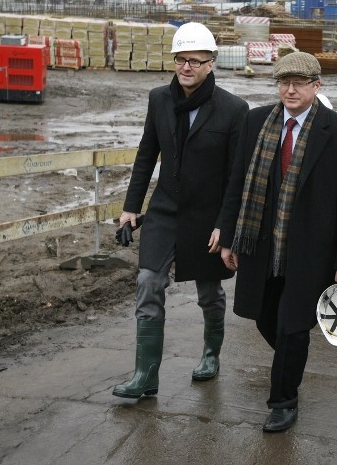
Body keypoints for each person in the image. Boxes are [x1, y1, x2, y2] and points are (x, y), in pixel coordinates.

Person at [218, 51, 337, 433]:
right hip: (262, 246)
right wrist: (229, 237)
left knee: (292, 326)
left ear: (317, 86)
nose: (290, 89)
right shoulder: (256, 122)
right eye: (284, 82)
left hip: (312, 252)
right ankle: (291, 359)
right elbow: (236, 183)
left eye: (299, 83)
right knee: (267, 320)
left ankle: (283, 400)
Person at [112, 22, 248, 399]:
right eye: (180, 60)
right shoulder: (159, 99)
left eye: (195, 61)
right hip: (165, 211)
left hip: (207, 218)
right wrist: (129, 208)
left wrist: (226, 225)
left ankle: (210, 353)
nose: (186, 67)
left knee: (209, 291)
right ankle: (146, 374)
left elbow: (236, 176)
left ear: (211, 63)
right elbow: (146, 155)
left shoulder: (234, 110)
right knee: (147, 282)